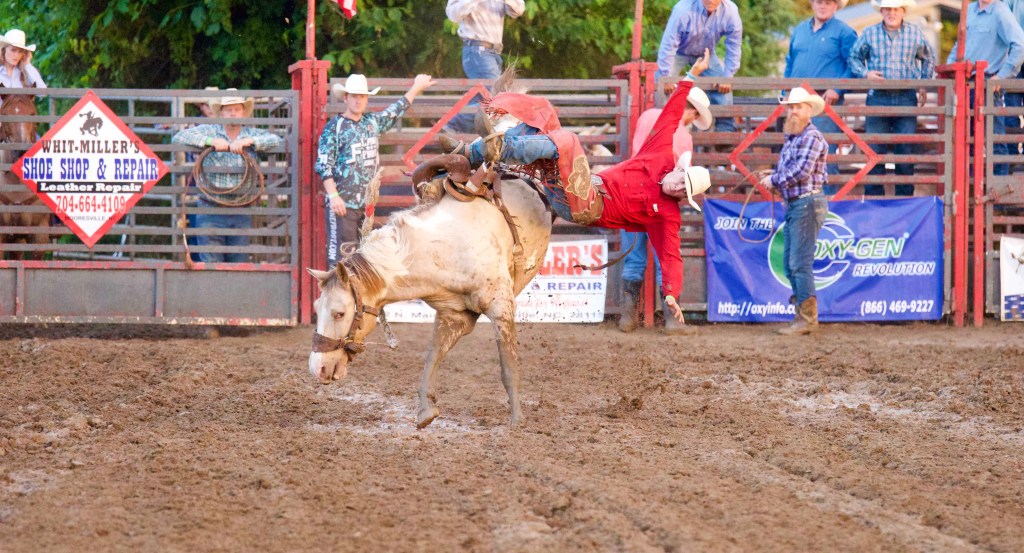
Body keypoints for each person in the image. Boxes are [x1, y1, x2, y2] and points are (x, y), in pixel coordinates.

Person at [441, 50, 716, 326]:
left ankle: (502, 147)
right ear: (679, 170)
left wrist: (671, 294)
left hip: (589, 206)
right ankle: (472, 152)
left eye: (684, 191)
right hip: (578, 189)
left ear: (684, 198)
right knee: (544, 116)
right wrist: (692, 75)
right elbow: (670, 116)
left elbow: (671, 256)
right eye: (683, 181)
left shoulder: (667, 215)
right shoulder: (660, 154)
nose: (679, 187)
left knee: (568, 141)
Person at [316, 73, 436, 267]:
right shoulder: (334, 128)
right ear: (346, 98)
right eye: (354, 96)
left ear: (366, 99)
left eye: (362, 96)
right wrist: (334, 196)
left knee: (363, 255)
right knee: (341, 256)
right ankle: (336, 295)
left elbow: (395, 110)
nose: (358, 100)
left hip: (367, 204)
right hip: (343, 204)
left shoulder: (372, 123)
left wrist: (416, 88)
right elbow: (323, 164)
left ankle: (358, 296)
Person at [617, 98, 710, 335]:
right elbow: (683, 179)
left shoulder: (648, 116)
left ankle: (628, 319)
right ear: (691, 111)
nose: (692, 121)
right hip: (661, 200)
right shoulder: (685, 137)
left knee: (634, 259)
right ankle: (672, 320)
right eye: (695, 117)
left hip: (631, 193)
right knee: (665, 259)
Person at [172, 91, 283, 263]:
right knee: (210, 263)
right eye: (228, 109)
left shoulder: (251, 133)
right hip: (210, 207)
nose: (233, 113)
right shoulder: (210, 130)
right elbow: (179, 137)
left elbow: (276, 140)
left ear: (244, 112)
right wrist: (210, 141)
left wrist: (250, 142)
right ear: (221, 112)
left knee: (238, 262)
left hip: (240, 208)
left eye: (237, 109)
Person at [758, 88, 830, 335]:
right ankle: (803, 314)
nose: (793, 111)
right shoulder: (795, 137)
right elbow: (795, 169)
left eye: (798, 107)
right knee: (792, 264)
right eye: (790, 107)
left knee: (799, 262)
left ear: (809, 110)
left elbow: (801, 171)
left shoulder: (810, 137)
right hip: (799, 204)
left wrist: (775, 180)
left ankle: (807, 319)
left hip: (806, 204)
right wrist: (774, 175)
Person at [848, 0, 935, 197]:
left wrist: (923, 81)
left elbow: (928, 58)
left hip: (906, 97)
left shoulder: (915, 33)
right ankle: (874, 200)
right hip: (878, 96)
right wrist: (865, 73)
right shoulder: (870, 33)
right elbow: (853, 57)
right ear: (881, 11)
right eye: (887, 8)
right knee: (874, 151)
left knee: (905, 151)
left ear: (903, 11)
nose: (891, 13)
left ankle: (904, 200)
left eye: (896, 9)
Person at [783, 0, 857, 189]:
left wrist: (837, 89)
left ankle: (827, 205)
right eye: (819, 1)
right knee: (794, 152)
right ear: (813, 4)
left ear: (835, 6)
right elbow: (790, 62)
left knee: (825, 155)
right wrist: (786, 91)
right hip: (798, 100)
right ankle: (797, 202)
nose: (823, 5)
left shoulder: (845, 32)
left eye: (828, 2)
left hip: (826, 102)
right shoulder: (799, 30)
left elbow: (854, 65)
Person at [947, 0, 1024, 177]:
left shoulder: (1000, 12)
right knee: (968, 141)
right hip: (966, 82)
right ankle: (973, 188)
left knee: (993, 140)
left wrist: (1002, 75)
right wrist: (949, 68)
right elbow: (959, 45)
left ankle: (997, 191)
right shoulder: (970, 10)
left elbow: (1020, 45)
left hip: (986, 83)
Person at [656, 0, 742, 135]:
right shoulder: (682, 10)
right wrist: (666, 76)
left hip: (706, 53)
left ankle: (725, 132)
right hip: (679, 52)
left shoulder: (731, 11)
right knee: (662, 86)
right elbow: (669, 44)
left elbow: (734, 45)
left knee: (723, 86)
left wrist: (728, 76)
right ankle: (661, 128)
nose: (711, 0)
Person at [444, 0, 525, 134]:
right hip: (478, 50)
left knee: (485, 101)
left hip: (494, 53)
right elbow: (453, 14)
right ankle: (452, 125)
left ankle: (455, 130)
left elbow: (518, 9)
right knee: (496, 99)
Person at [1002, 0, 1024, 165]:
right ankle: (1012, 155)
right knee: (1010, 109)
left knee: (1011, 109)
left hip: (1014, 56)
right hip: (1015, 57)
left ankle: (1012, 156)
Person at [0, 29, 46, 107]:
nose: (16, 55)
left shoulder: (25, 73)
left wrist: (27, 64)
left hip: (20, 118)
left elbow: (43, 92)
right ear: (4, 50)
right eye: (13, 50)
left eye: (20, 51)